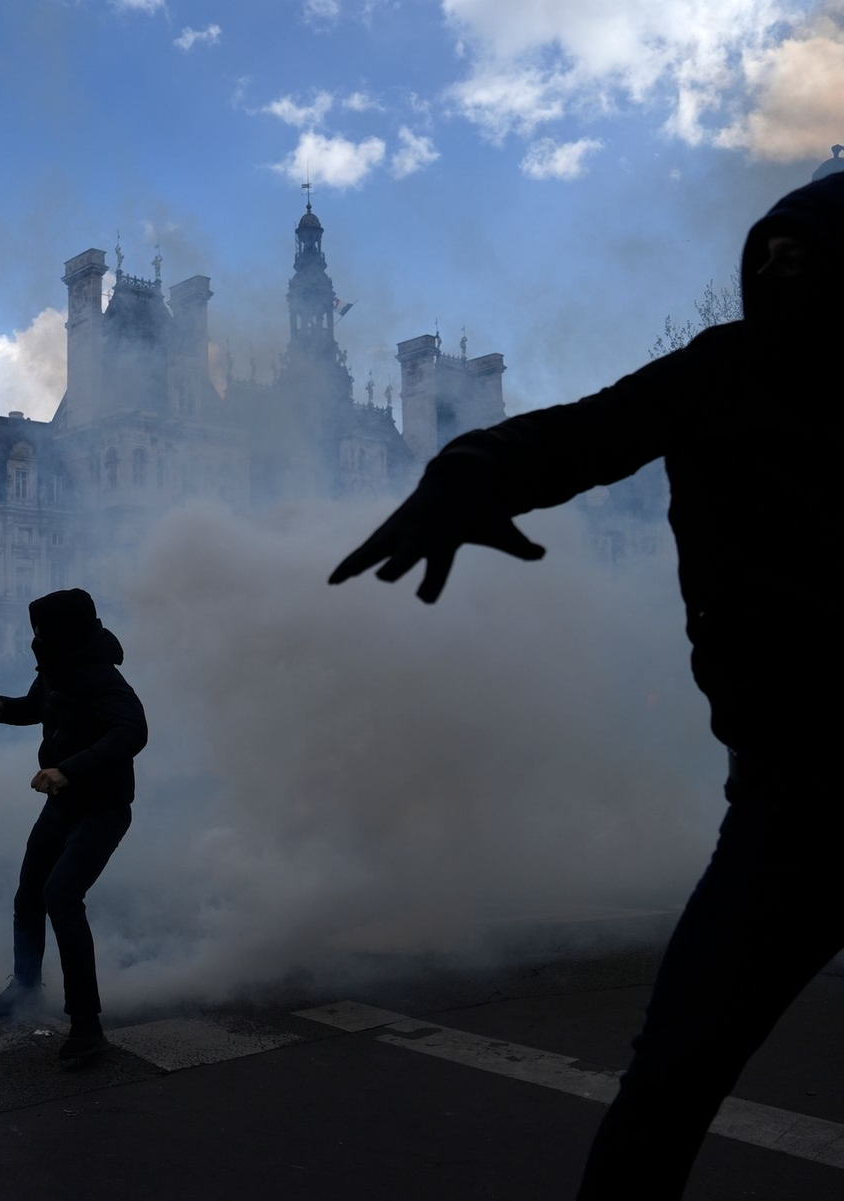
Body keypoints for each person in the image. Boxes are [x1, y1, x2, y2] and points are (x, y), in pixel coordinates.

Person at [329, 172, 842, 1198]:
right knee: (676, 1067)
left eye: (809, 257)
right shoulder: (730, 369)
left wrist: (469, 474)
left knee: (677, 1068)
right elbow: (582, 435)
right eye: (774, 255)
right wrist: (466, 473)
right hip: (793, 791)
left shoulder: (733, 366)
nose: (786, 275)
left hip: (794, 786)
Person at [0, 588, 147, 1064]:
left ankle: (87, 1026)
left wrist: (69, 768)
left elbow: (133, 730)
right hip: (61, 807)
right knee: (29, 895)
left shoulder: (99, 675)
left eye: (40, 628)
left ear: (60, 630)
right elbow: (37, 710)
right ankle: (26, 988)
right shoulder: (57, 669)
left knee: (61, 896)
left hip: (103, 809)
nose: (34, 637)